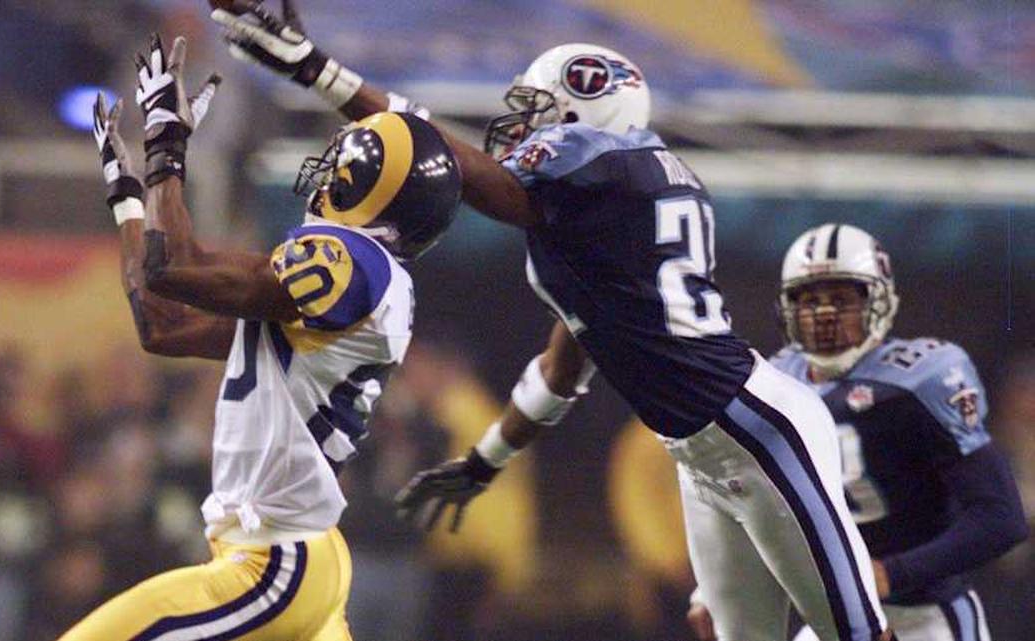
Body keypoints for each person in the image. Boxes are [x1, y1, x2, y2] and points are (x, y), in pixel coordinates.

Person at [209, 2, 893, 640]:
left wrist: (320, 73)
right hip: (703, 452)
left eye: (541, 113)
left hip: (757, 430)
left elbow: (453, 168)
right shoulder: (615, 207)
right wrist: (485, 460)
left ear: (587, 109)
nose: (524, 129)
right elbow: (567, 363)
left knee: (856, 630)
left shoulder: (611, 161)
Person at [62, 31, 462, 641]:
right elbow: (162, 325)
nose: (329, 171)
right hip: (292, 553)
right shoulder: (352, 291)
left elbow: (176, 269)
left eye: (345, 161)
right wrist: (130, 202)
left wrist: (168, 144)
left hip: (273, 563)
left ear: (372, 186)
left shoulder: (351, 262)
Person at [685, 224, 1028, 641]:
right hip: (834, 614)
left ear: (879, 301)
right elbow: (758, 502)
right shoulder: (778, 381)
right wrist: (719, 587)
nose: (824, 314)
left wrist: (889, 573)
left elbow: (1000, 518)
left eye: (842, 300)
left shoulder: (921, 379)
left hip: (927, 617)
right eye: (809, 300)